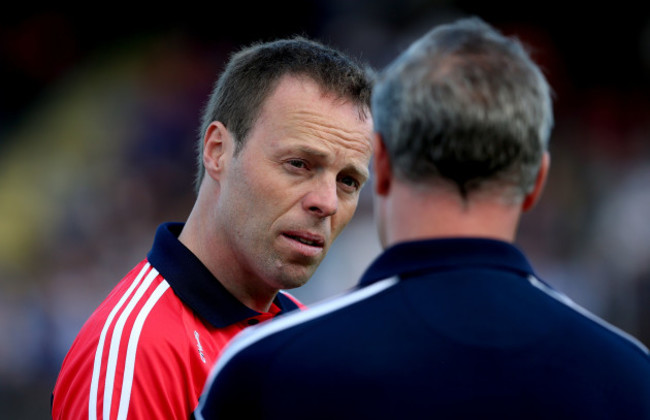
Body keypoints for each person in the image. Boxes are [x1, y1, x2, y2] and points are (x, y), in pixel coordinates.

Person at [194, 17, 650, 419]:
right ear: (536, 182)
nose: (327, 202)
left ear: (384, 166)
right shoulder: (632, 376)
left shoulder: (267, 369)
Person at [51, 36, 374, 419]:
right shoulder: (135, 348)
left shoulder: (309, 340)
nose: (328, 202)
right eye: (299, 164)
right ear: (218, 150)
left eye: (348, 181)